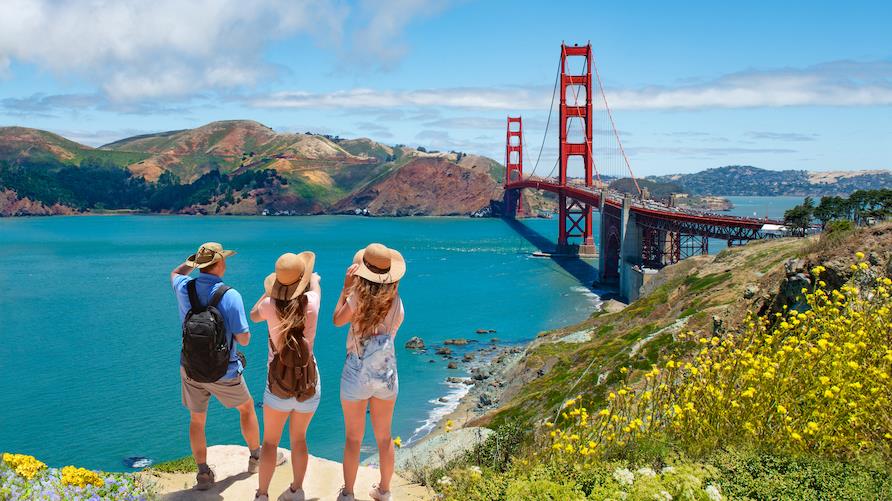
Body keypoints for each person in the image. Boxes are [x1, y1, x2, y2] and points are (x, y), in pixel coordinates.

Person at [170, 242, 261, 491]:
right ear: (220, 263)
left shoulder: (183, 287)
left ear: (199, 265)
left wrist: (191, 263)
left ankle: (203, 474)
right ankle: (256, 458)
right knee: (247, 408)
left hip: (191, 367)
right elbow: (244, 339)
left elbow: (175, 273)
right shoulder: (230, 294)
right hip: (224, 370)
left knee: (197, 420)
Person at [332, 243, 406, 501]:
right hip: (386, 373)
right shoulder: (396, 301)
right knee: (384, 437)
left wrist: (345, 288)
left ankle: (348, 493)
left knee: (353, 438)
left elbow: (337, 320)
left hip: (356, 371)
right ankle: (384, 491)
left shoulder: (356, 298)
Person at [250, 252, 322, 501]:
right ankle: (296, 490)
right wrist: (312, 279)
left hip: (277, 385)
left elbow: (253, 315)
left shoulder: (269, 306)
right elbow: (315, 285)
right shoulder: (312, 301)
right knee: (299, 439)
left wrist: (269, 290)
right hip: (307, 382)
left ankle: (262, 494)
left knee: (269, 443)